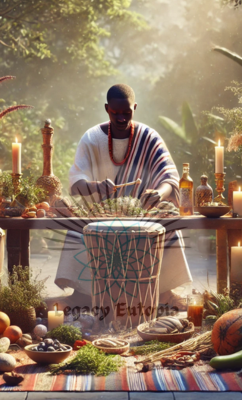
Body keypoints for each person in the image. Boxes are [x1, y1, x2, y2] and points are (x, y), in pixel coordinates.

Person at [54, 84, 192, 309]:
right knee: (76, 231)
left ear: (134, 108)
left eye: (126, 112)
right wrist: (96, 186)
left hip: (143, 216)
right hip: (100, 217)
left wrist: (158, 193)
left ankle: (162, 294)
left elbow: (170, 177)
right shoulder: (91, 138)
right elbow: (76, 185)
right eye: (115, 113)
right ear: (107, 109)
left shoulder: (148, 137)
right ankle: (83, 295)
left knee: (169, 230)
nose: (120, 118)